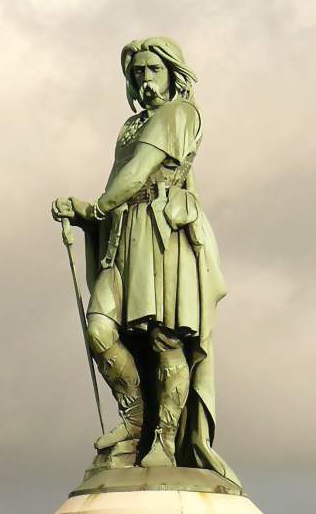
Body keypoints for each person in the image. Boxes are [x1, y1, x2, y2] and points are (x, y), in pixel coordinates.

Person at [51, 37, 239, 485]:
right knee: (100, 328)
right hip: (124, 235)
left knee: (164, 339)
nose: (145, 80)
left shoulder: (179, 114)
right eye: (137, 73)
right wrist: (86, 214)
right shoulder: (131, 126)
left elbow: (137, 174)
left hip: (161, 235)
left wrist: (93, 207)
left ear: (172, 72)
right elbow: (120, 184)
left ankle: (166, 439)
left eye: (152, 70)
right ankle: (135, 420)